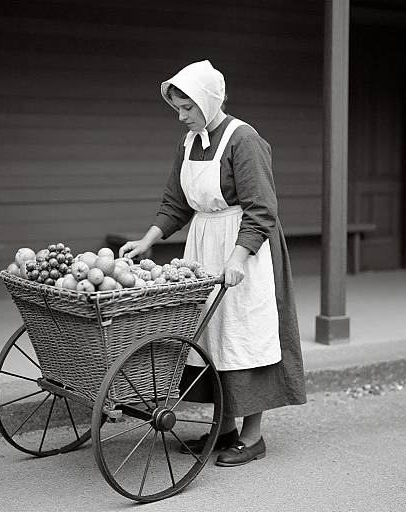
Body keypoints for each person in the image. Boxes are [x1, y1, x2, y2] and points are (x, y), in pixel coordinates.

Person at [119, 60, 306, 467]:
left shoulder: (244, 139)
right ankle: (223, 429)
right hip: (204, 244)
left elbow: (262, 209)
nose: (181, 116)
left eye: (187, 107)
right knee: (208, 334)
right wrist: (149, 239)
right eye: (177, 109)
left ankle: (253, 437)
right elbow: (176, 202)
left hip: (246, 248)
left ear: (207, 101)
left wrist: (239, 257)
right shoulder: (189, 143)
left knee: (244, 335)